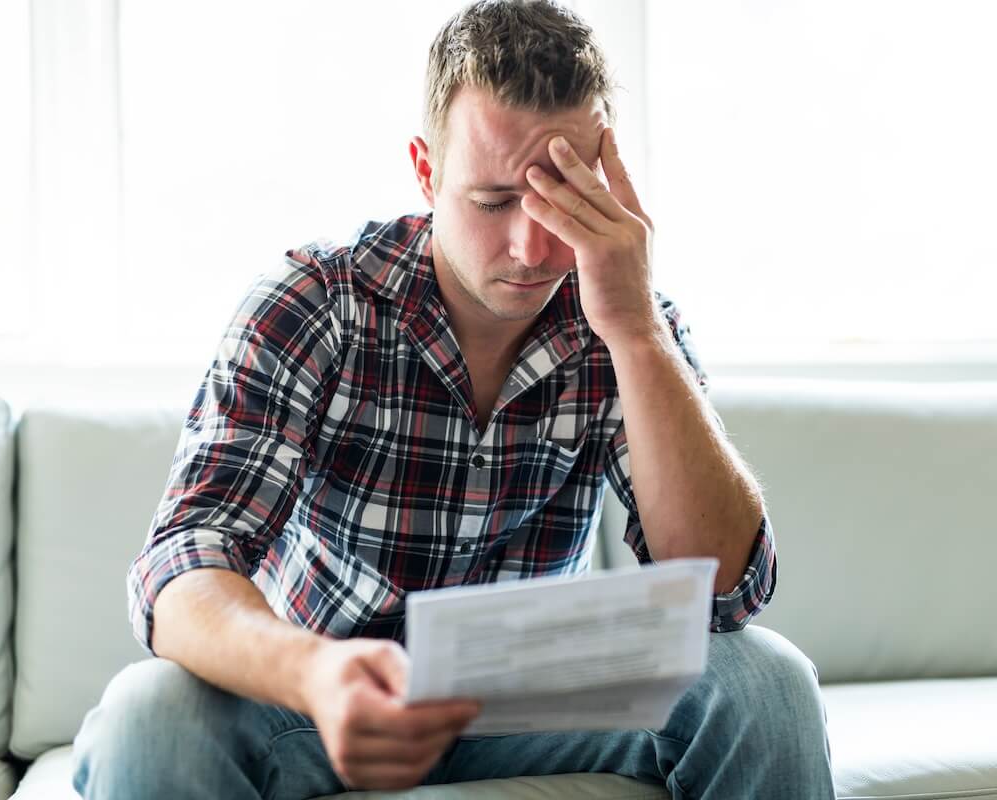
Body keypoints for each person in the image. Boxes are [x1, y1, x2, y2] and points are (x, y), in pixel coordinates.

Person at [71, 1, 836, 797]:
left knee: (765, 681)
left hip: (533, 690)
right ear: (426, 170)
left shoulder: (624, 314)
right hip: (318, 689)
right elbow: (183, 559)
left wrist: (636, 330)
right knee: (150, 710)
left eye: (562, 199)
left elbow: (723, 591)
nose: (534, 248)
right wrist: (315, 674)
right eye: (496, 201)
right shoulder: (318, 302)